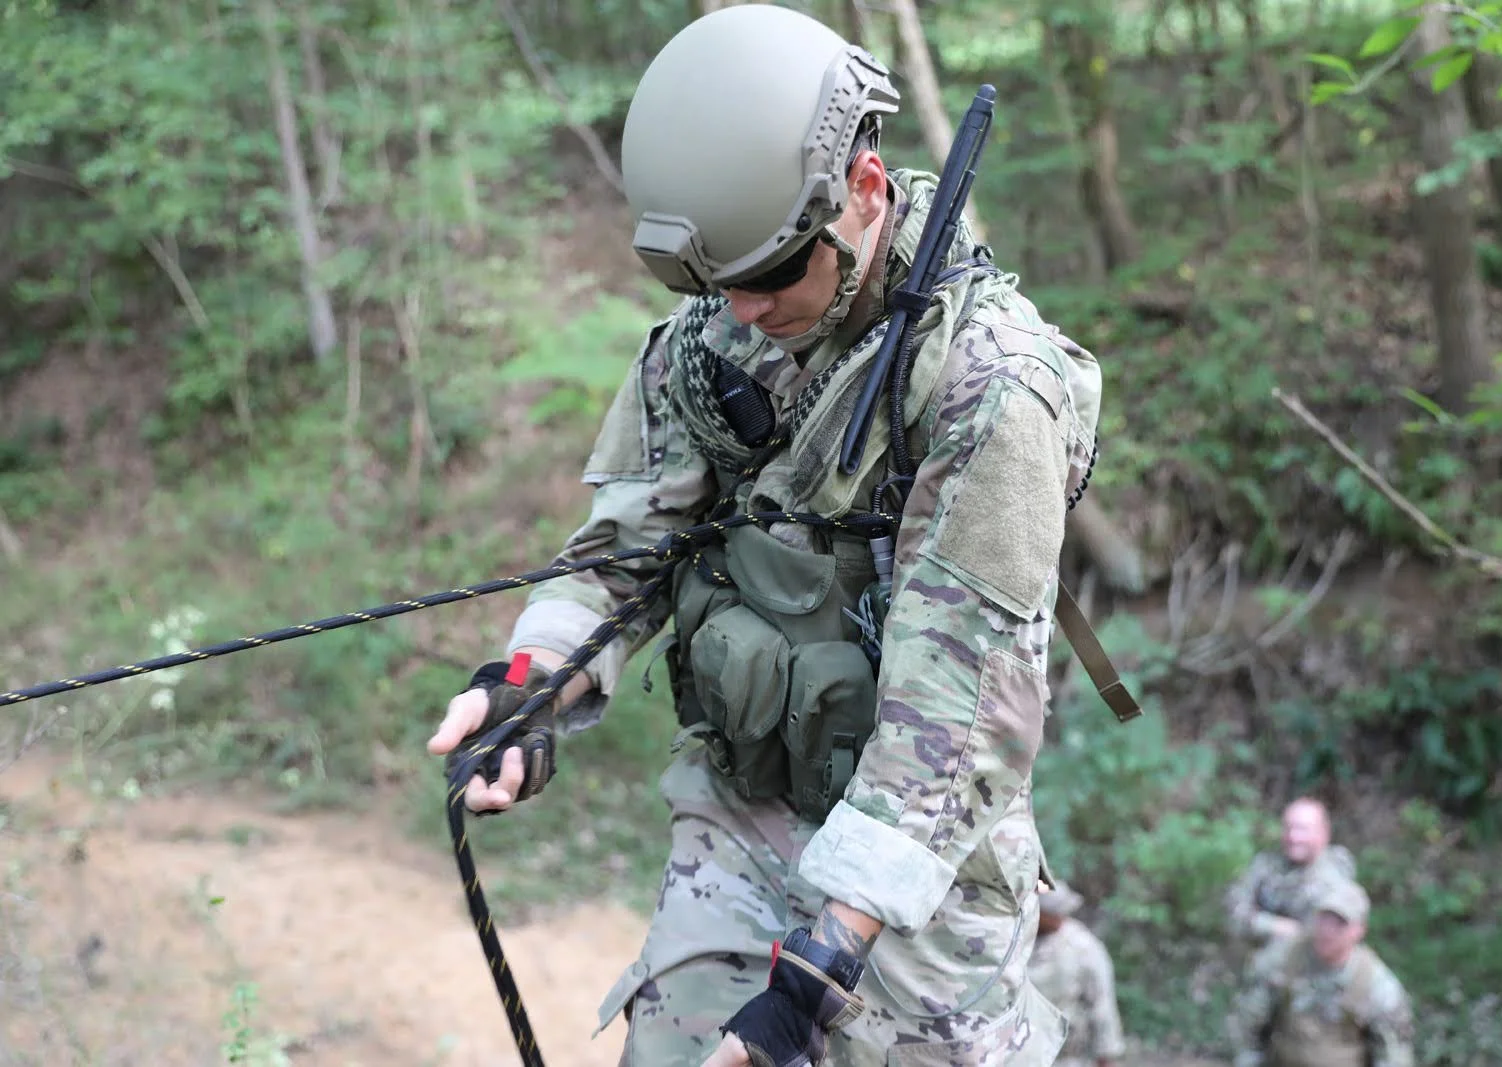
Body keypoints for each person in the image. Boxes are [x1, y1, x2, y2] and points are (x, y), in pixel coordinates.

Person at [426, 4, 1110, 1065]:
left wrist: (816, 973)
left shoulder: (992, 389)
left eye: (770, 276)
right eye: (716, 285)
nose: (742, 310)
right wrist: (532, 680)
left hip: (919, 871)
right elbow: (625, 547)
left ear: (866, 194)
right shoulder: (715, 337)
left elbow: (956, 716)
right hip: (742, 816)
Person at [1226, 877, 1415, 1067]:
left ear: (1359, 931)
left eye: (1339, 924)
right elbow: (1248, 1024)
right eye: (1324, 919)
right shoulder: (1283, 959)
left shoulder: (1376, 985)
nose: (1327, 931)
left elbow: (1394, 1057)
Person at [1226, 797, 1358, 957]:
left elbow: (1323, 935)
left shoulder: (1336, 873)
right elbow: (1232, 912)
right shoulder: (1265, 864)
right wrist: (1274, 925)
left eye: (1302, 830)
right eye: (1288, 828)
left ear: (1324, 833)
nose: (1293, 837)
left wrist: (1256, 919)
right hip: (1256, 962)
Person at [1027, 886, 1127, 1067]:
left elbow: (1101, 1002)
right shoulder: (1016, 939)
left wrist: (1107, 1054)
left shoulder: (1082, 947)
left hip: (1065, 1055)